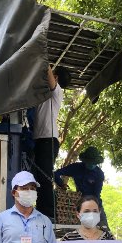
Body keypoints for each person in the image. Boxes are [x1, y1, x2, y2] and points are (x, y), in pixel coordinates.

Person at [33, 65, 71, 219]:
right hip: (41, 139)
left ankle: (48, 213)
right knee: (39, 177)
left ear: (55, 78)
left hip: (48, 139)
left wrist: (43, 57)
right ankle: (41, 208)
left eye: (52, 75)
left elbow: (47, 73)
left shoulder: (57, 91)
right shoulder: (45, 95)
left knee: (44, 176)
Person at [54, 146, 108, 227]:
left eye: (93, 163)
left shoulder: (99, 174)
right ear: (85, 161)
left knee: (104, 228)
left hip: (95, 201)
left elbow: (97, 194)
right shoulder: (76, 167)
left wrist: (94, 209)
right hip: (78, 201)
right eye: (89, 162)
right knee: (79, 228)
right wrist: (62, 184)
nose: (91, 165)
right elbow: (56, 173)